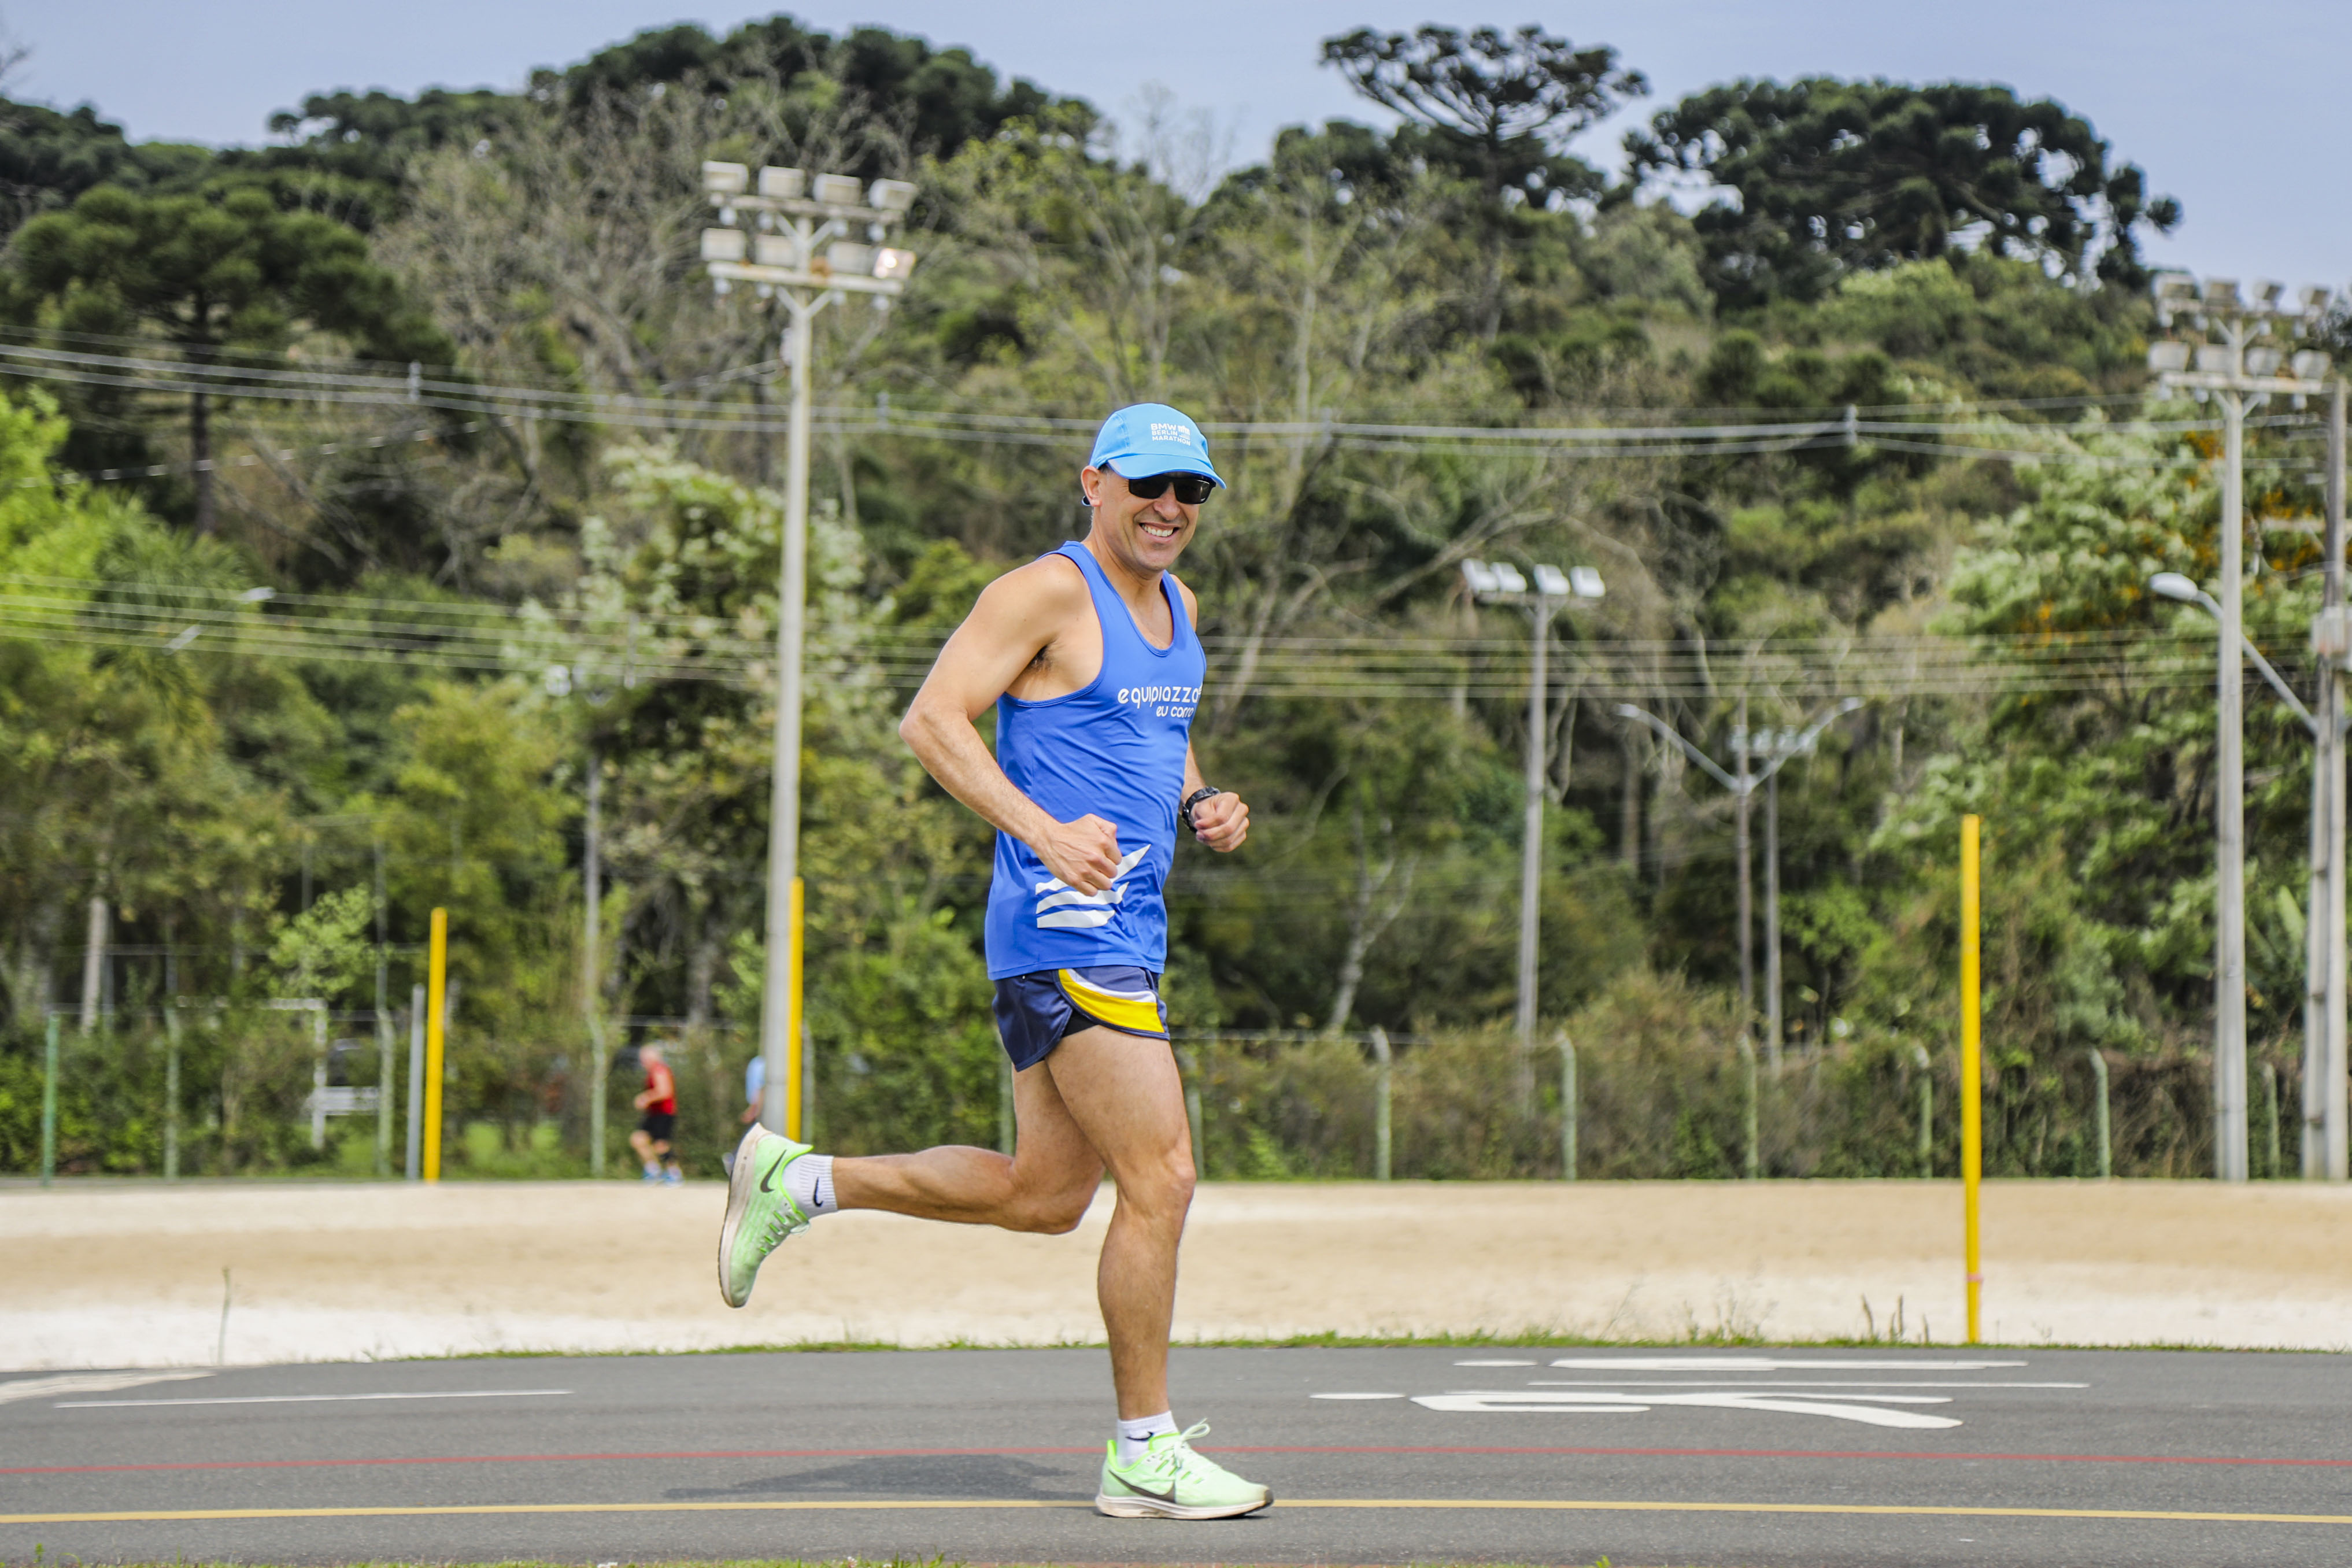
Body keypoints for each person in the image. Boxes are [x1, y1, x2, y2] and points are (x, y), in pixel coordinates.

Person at [718, 402, 1269, 1520]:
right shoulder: (1043, 592)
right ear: (1094, 483)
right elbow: (932, 721)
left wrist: (1199, 796)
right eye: (1148, 485)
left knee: (1045, 1195)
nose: (1169, 508)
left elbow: (1146, 733)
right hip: (1071, 927)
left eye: (1191, 491)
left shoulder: (1179, 607)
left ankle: (795, 1179)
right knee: (1160, 1177)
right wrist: (1043, 830)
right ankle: (1143, 1452)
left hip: (1122, 928)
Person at [630, 1042, 682, 1185]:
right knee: (638, 1139)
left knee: (661, 1146)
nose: (642, 1062)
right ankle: (653, 1171)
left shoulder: (660, 1070)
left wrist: (646, 1098)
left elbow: (665, 1091)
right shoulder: (652, 1072)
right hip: (654, 1114)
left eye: (644, 1058)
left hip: (664, 1113)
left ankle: (674, 1173)